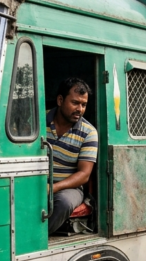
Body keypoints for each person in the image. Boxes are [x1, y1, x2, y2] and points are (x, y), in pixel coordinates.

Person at [45, 78, 99, 234]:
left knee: (64, 202)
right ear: (60, 100)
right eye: (75, 103)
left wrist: (52, 188)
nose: (80, 109)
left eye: (84, 105)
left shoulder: (89, 133)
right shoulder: (38, 121)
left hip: (68, 187)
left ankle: (35, 239)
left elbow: (84, 175)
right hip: (36, 182)